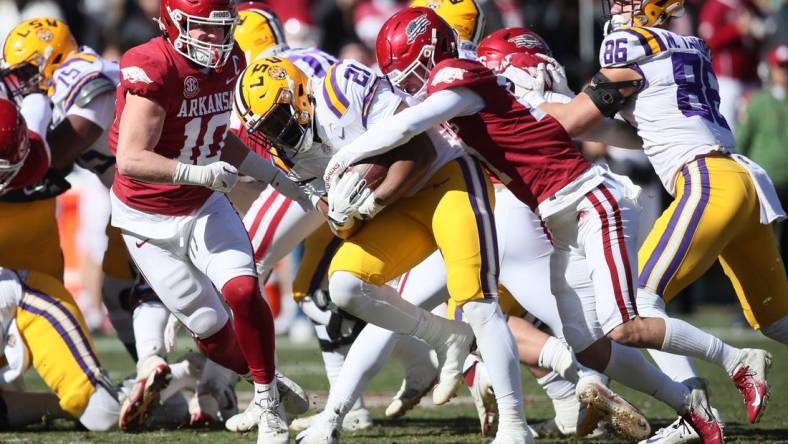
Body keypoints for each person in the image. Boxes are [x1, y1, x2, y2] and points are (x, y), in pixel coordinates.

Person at [323, 6, 743, 442]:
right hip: (546, 214)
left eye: (412, 74)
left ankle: (725, 366)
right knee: (587, 336)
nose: (410, 86)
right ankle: (626, 396)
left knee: (613, 318)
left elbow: (411, 125)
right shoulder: (479, 74)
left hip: (563, 204)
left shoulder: (461, 75)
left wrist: (344, 161)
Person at [235, 55, 532, 443]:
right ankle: (445, 336)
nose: (277, 134)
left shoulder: (342, 88)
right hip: (400, 206)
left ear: (300, 94)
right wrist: (342, 217)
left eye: (278, 119)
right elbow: (335, 216)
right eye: (266, 128)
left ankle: (514, 426)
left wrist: (369, 202)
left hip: (446, 179)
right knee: (343, 285)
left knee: (477, 301)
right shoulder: (287, 152)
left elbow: (420, 150)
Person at [108, 0, 308, 441]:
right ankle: (266, 385)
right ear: (174, 23)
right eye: (203, 30)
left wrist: (277, 178)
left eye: (222, 29)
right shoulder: (151, 65)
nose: (216, 40)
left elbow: (222, 140)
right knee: (209, 330)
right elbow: (130, 159)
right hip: (147, 219)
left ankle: (269, 408)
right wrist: (198, 173)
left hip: (201, 203)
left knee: (242, 287)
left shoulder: (231, 59)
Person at [0, 96, 120, 432]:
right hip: (15, 291)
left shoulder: (34, 156)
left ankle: (72, 401)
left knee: (101, 411)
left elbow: (38, 104)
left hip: (20, 292)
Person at [737, 44, 788, 266]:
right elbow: (742, 142)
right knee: (760, 245)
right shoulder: (757, 102)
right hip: (766, 182)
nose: (785, 73)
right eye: (782, 67)